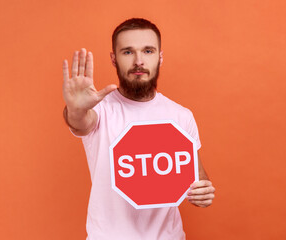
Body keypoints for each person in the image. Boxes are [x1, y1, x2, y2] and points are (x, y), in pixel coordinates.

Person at [62, 18, 215, 240]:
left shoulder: (181, 116)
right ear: (114, 59)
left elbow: (198, 177)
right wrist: (75, 109)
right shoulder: (100, 111)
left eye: (148, 51)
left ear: (160, 57)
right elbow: (78, 121)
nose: (139, 61)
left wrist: (203, 192)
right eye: (127, 52)